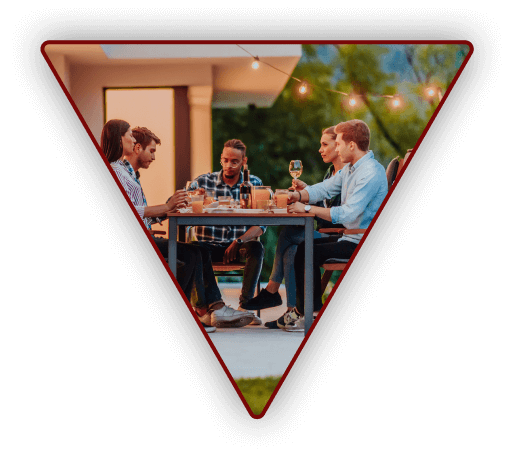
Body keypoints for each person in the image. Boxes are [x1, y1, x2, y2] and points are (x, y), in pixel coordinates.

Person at [101, 120, 254, 331]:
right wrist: (166, 206)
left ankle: (209, 309)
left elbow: (142, 214)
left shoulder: (128, 173)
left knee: (198, 250)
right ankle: (201, 311)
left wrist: (167, 207)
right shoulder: (117, 172)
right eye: (129, 135)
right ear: (122, 139)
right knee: (190, 254)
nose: (133, 138)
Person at [265, 119, 388, 331]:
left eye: (338, 143)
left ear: (351, 145)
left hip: (359, 238)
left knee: (306, 251)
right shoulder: (351, 169)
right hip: (350, 235)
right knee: (304, 248)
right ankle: (310, 310)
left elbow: (348, 213)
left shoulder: (369, 172)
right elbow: (324, 189)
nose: (336, 149)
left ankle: (306, 312)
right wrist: (296, 195)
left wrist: (305, 209)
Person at [244, 126, 348, 328]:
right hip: (326, 231)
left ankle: (274, 292)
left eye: (325, 144)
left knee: (290, 233)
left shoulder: (347, 175)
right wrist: (307, 191)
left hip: (338, 235)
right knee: (291, 248)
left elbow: (340, 214)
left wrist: (307, 201)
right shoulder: (331, 172)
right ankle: (293, 313)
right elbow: (325, 203)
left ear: (339, 145)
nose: (320, 149)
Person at [188, 139, 266, 326]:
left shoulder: (253, 183)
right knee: (192, 249)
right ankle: (210, 308)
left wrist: (239, 241)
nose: (228, 166)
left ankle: (245, 308)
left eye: (234, 161)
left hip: (238, 246)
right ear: (221, 159)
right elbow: (176, 202)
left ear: (244, 162)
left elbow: (262, 224)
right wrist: (194, 197)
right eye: (225, 160)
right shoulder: (203, 181)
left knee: (257, 248)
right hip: (208, 246)